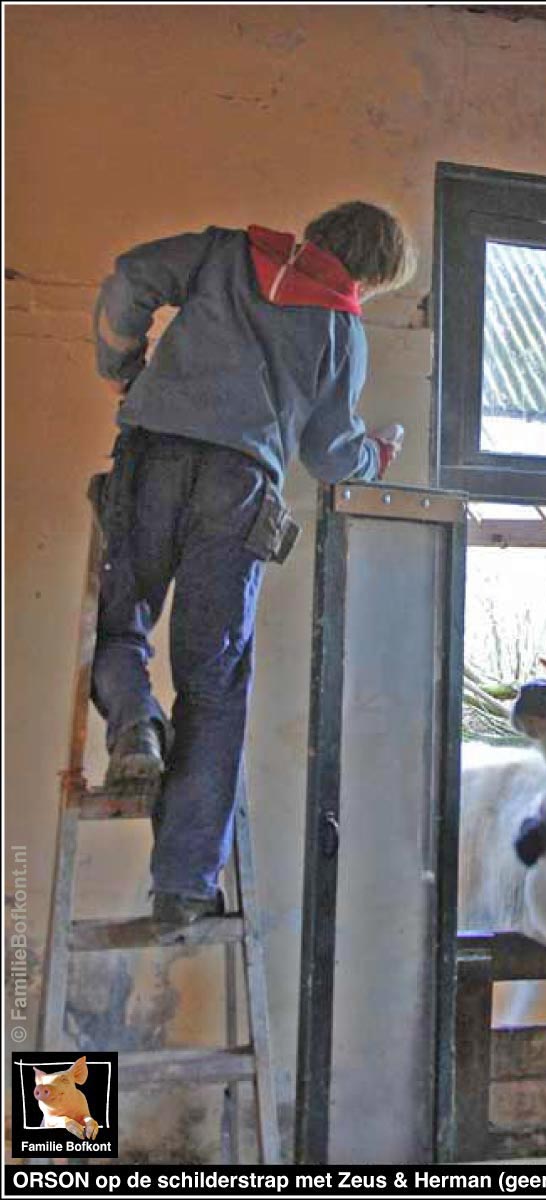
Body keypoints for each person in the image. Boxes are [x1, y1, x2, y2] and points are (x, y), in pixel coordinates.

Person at [90, 202, 413, 929]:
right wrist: (376, 454)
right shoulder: (340, 327)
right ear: (370, 273)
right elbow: (333, 457)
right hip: (239, 489)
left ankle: (133, 724)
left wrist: (124, 367)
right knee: (214, 681)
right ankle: (182, 887)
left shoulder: (226, 253)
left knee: (121, 622)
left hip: (151, 457)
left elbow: (131, 276)